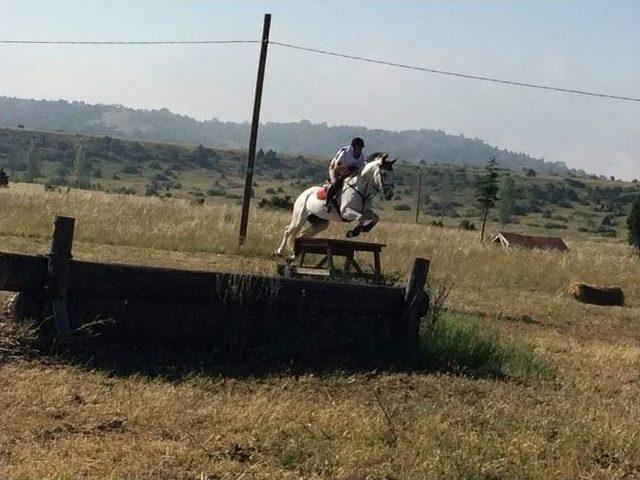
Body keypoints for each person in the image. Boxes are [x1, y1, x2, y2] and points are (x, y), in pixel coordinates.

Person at [325, 137, 366, 211]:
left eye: (361, 148)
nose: (359, 150)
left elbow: (359, 169)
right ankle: (327, 203)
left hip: (348, 173)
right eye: (358, 148)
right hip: (335, 169)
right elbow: (336, 168)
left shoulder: (361, 156)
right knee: (335, 183)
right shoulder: (344, 153)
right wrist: (348, 168)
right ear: (353, 147)